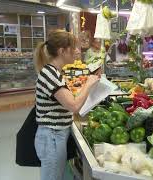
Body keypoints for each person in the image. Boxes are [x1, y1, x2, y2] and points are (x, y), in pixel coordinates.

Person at [34, 30, 100, 180]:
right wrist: (88, 84)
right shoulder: (50, 74)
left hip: (55, 136)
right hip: (52, 137)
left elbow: (68, 100)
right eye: (74, 47)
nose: (78, 51)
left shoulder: (55, 72)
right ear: (62, 51)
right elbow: (74, 105)